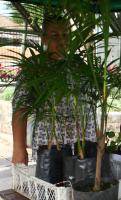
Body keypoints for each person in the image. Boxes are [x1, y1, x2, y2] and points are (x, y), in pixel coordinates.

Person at [11, 15, 97, 183]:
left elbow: (91, 105)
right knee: (53, 188)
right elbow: (20, 109)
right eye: (55, 35)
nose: (62, 40)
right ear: (44, 38)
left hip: (84, 145)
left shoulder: (80, 66)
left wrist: (99, 137)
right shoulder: (35, 68)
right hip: (51, 147)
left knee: (82, 189)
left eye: (65, 35)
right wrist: (19, 148)